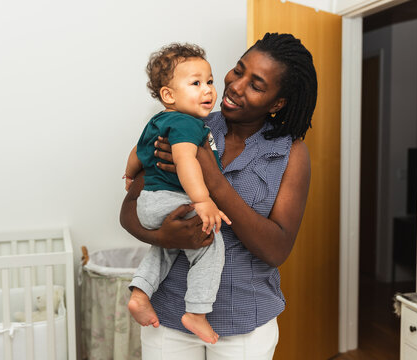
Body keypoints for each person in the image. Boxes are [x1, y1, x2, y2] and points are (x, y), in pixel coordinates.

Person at [121, 32, 317, 360]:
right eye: (238, 71)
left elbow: (276, 249)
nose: (235, 85)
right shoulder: (186, 124)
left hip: (244, 323)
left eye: (256, 85)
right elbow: (130, 207)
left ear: (278, 102)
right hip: (168, 315)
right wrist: (163, 236)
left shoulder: (290, 154)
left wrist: (214, 181)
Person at [124, 43, 231, 345]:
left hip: (149, 202)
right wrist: (202, 200)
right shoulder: (186, 123)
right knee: (211, 242)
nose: (208, 90)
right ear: (169, 95)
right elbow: (186, 161)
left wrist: (130, 173)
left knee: (166, 248)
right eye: (196, 83)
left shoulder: (157, 121)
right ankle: (196, 311)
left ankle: (140, 293)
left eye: (209, 81)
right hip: (172, 199)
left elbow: (135, 152)